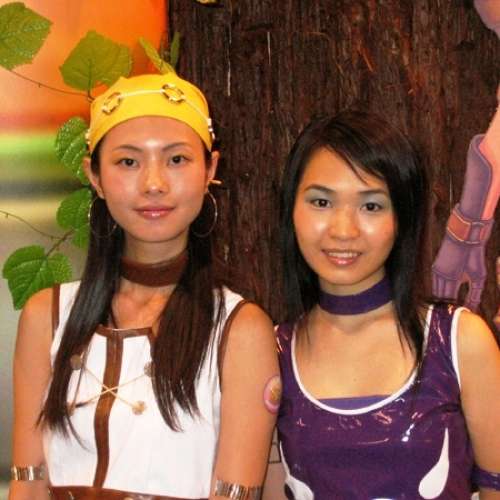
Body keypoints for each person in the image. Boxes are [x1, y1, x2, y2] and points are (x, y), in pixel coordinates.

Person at [10, 72, 279, 499]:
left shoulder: (240, 330)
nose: (154, 184)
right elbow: (28, 483)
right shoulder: (47, 317)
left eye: (177, 159)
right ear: (94, 176)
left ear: (210, 169)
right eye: (128, 162)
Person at [276, 111, 500, 499]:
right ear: (291, 209)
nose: (343, 230)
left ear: (402, 217)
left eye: (371, 206)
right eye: (321, 201)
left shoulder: (460, 340)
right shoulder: (272, 352)